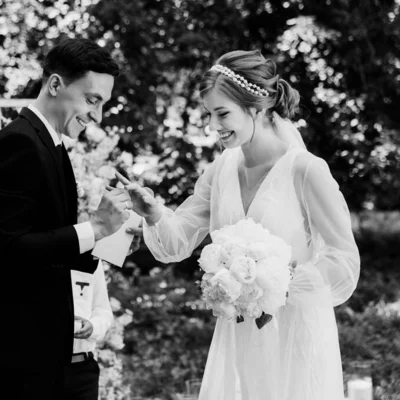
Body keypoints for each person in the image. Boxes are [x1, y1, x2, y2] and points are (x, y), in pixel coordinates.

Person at [121, 50, 360, 400]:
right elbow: (178, 242)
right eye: (209, 114)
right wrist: (154, 213)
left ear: (257, 108)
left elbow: (344, 262)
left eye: (222, 113)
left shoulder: (305, 170)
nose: (213, 126)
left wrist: (275, 281)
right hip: (239, 334)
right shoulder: (220, 170)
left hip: (293, 333)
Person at [0, 38, 135, 400]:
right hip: (18, 358)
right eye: (92, 100)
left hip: (40, 353)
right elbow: (7, 250)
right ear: (55, 85)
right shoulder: (19, 144)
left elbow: (50, 249)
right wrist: (95, 228)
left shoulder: (46, 144)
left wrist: (113, 236)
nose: (97, 116)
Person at [65, 260, 113, 400]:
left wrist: (93, 326)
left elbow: (102, 309)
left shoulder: (92, 260)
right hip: (39, 369)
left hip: (82, 370)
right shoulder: (36, 252)